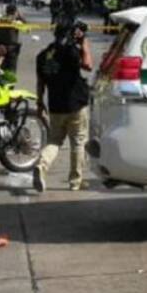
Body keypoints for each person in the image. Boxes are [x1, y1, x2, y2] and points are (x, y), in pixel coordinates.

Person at [33, 20, 94, 193]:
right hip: (76, 104)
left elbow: (40, 82)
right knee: (78, 142)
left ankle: (42, 165)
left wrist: (39, 103)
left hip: (55, 105)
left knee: (54, 141)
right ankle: (75, 182)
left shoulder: (43, 55)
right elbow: (88, 65)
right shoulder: (71, 51)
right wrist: (85, 45)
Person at [0, 2, 25, 75]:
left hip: (1, 46)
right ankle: (10, 85)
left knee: (2, 68)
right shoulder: (15, 22)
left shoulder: (1, 19)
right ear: (15, 12)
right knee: (11, 69)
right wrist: (21, 17)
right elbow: (27, 28)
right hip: (12, 48)